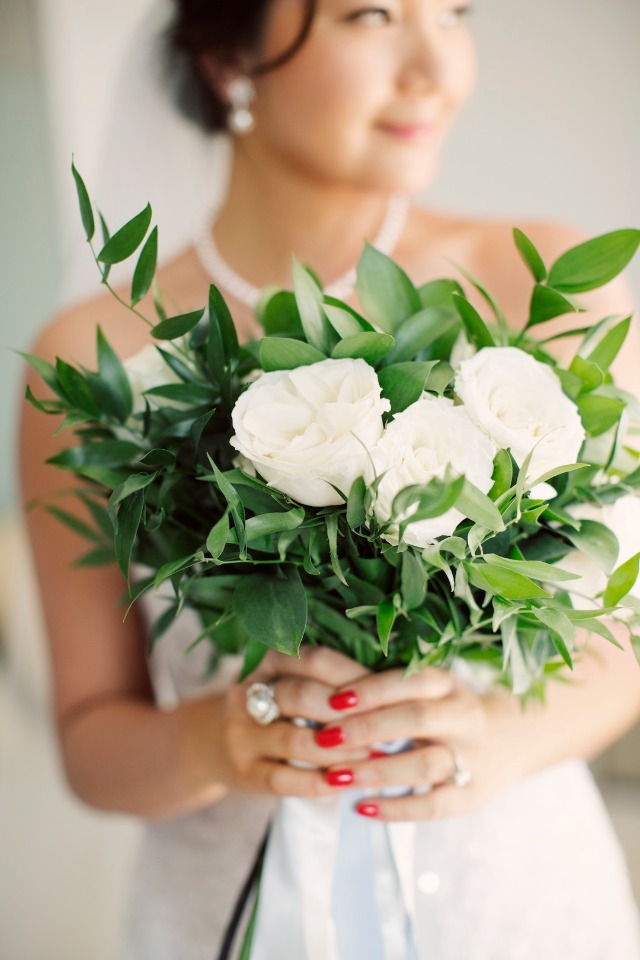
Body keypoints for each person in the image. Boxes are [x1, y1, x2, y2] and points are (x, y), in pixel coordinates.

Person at [20, 1, 640, 957]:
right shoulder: (94, 359)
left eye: (456, 12)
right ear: (231, 56)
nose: (437, 65)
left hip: (514, 900)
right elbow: (94, 740)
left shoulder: (543, 287)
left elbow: (627, 648)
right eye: (372, 14)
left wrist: (492, 739)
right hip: (230, 910)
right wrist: (213, 742)